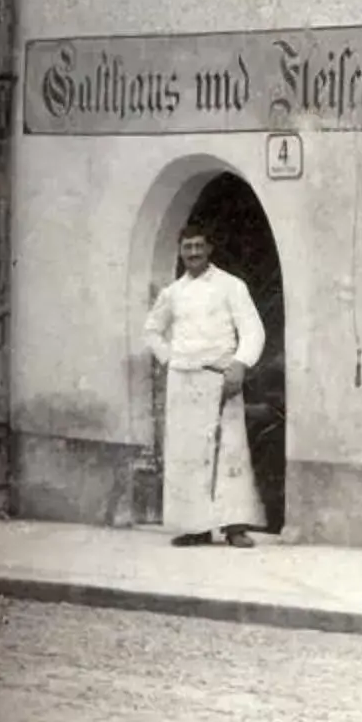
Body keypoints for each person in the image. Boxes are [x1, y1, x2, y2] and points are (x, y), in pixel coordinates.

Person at [145, 224, 266, 547]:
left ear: (209, 248)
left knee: (229, 450)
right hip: (183, 380)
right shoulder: (172, 293)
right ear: (180, 250)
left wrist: (240, 364)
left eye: (199, 246)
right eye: (188, 247)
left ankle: (235, 527)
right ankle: (195, 526)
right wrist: (170, 359)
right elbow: (152, 330)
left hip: (221, 378)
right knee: (187, 452)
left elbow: (253, 330)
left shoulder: (231, 286)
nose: (194, 253)